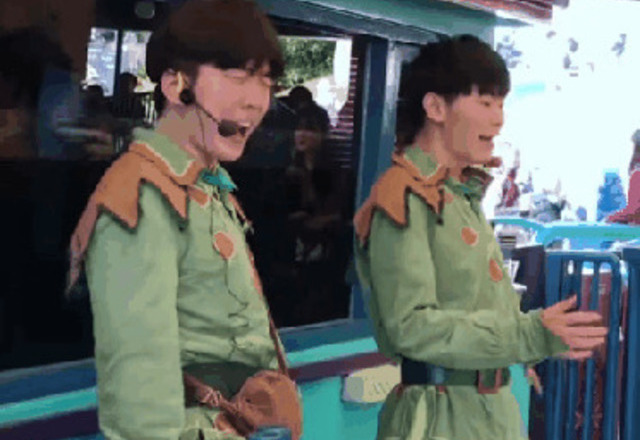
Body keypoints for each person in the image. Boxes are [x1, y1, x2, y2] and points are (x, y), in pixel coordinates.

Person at [353, 35, 608, 440]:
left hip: (488, 412)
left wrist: (543, 338)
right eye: (486, 103)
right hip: (439, 418)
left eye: (501, 104)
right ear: (436, 108)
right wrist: (528, 334)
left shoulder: (460, 197)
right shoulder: (404, 197)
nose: (499, 119)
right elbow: (411, 327)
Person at [66, 1, 301, 439]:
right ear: (177, 86)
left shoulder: (208, 186)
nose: (257, 100)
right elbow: (141, 407)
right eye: (237, 75)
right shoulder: (142, 196)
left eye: (266, 80)